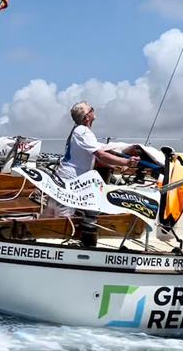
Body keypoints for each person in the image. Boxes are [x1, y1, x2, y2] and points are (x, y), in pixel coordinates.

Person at [47, 101, 140, 246]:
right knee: (65, 217)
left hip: (77, 179)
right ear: (87, 117)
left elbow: (98, 154)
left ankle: (85, 241)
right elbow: (101, 155)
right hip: (70, 179)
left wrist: (119, 160)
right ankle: (61, 246)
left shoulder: (81, 131)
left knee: (90, 209)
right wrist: (125, 162)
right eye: (91, 109)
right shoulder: (82, 131)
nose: (93, 111)